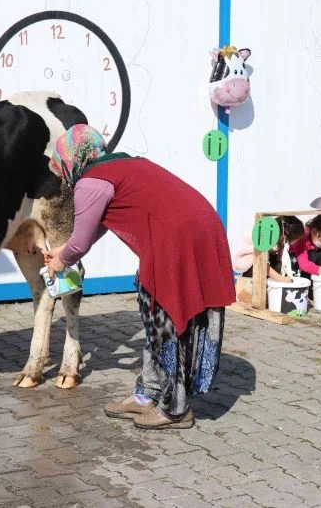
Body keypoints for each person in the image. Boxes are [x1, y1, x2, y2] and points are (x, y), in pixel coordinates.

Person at [43, 124, 235, 430]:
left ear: (71, 158)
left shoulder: (91, 182)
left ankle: (175, 410)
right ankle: (148, 392)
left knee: (167, 318)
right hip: (194, 229)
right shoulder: (121, 165)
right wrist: (63, 250)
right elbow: (92, 229)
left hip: (179, 238)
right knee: (152, 310)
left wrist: (60, 260)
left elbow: (80, 243)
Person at [233, 216, 304, 304]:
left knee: (279, 265)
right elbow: (262, 263)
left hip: (260, 262)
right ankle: (251, 295)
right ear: (287, 236)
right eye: (294, 240)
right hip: (249, 263)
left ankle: (269, 294)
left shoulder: (277, 234)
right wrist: (280, 279)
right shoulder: (266, 234)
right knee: (261, 272)